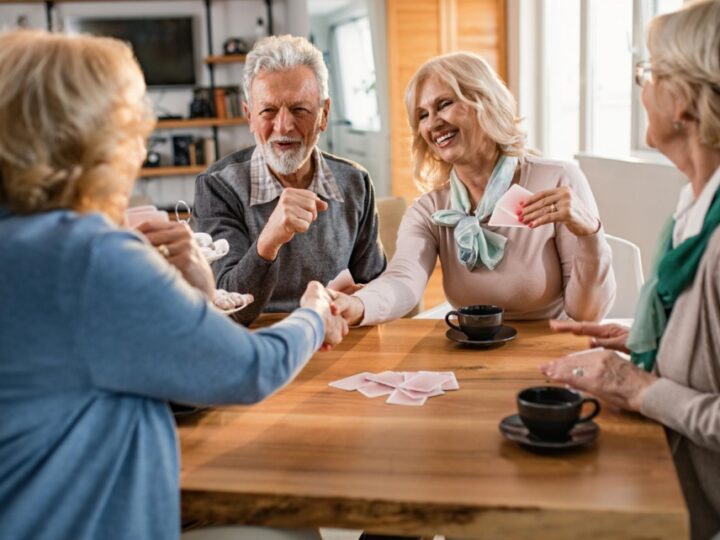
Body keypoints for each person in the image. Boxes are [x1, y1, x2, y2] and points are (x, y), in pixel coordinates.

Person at [0, 29, 347, 540]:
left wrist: (192, 293)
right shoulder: (94, 254)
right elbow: (250, 369)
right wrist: (313, 315)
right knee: (292, 528)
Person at [541, 1, 720, 538]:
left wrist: (640, 388)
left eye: (649, 73)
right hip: (669, 474)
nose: (642, 88)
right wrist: (644, 339)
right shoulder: (694, 205)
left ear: (684, 101)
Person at [336, 52, 615, 327]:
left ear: (485, 102)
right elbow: (402, 281)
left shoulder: (557, 179)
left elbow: (586, 314)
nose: (432, 123)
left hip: (549, 346)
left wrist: (590, 235)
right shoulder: (430, 210)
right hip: (473, 347)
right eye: (422, 115)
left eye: (444, 104)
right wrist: (359, 305)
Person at [193, 35, 386, 326]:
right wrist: (269, 240)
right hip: (258, 344)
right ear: (249, 116)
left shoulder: (355, 182)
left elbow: (376, 292)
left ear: (324, 114)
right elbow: (231, 313)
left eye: (299, 110)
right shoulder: (218, 186)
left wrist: (362, 301)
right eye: (268, 111)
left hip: (335, 339)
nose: (284, 126)